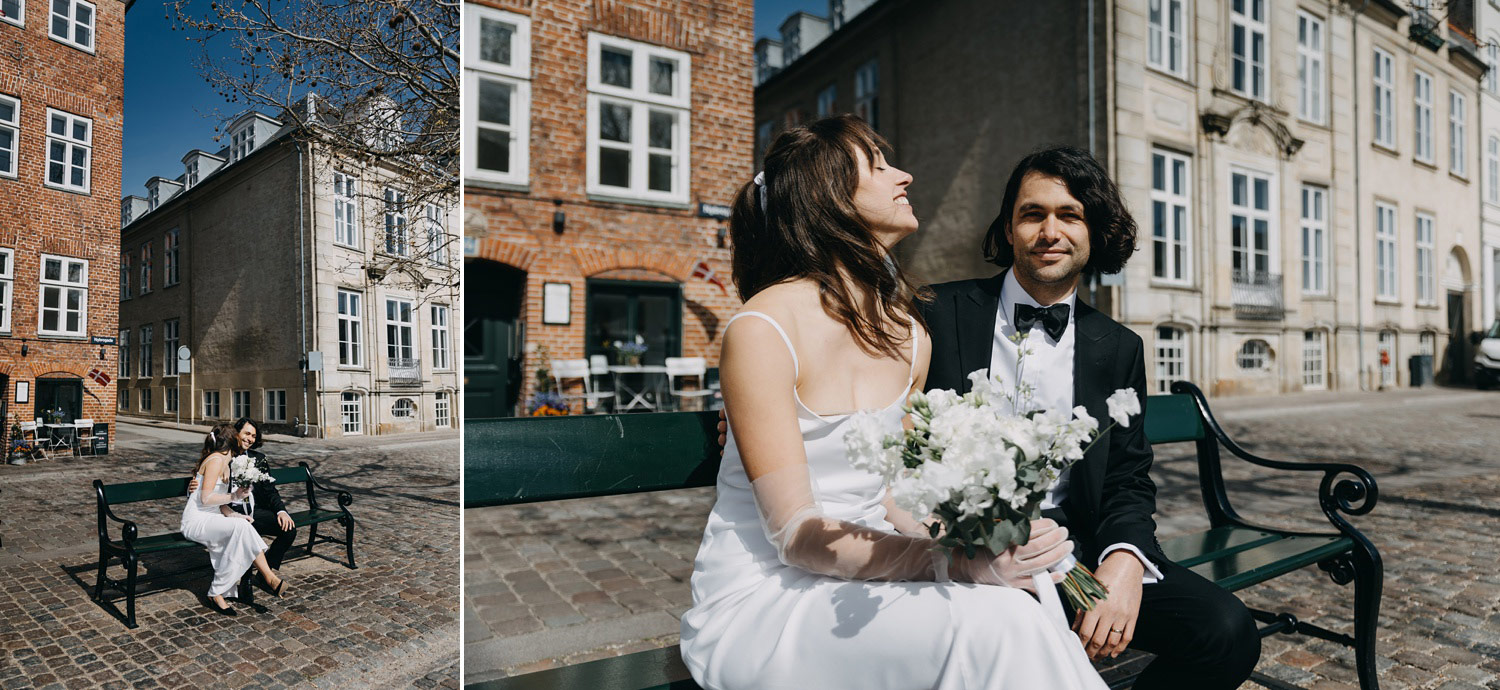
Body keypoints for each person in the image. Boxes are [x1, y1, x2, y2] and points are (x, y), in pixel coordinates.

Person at [680, 115, 1106, 690]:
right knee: (998, 626)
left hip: (871, 573)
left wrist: (993, 536)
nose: (904, 176)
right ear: (828, 195)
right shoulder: (762, 328)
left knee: (1024, 605)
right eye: (878, 166)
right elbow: (796, 535)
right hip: (771, 594)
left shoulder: (908, 335)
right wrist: (952, 565)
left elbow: (894, 498)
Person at [919, 145, 1259, 689]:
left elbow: (1127, 476)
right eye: (1033, 214)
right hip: (964, 553)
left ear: (1094, 233)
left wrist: (1124, 562)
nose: (1049, 231)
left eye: (1069, 215)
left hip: (1074, 553)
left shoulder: (1118, 346)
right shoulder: (935, 311)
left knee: (1226, 632)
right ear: (1008, 229)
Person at [180, 422, 287, 615]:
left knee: (243, 525)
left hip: (213, 517)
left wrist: (236, 514)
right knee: (241, 529)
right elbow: (205, 499)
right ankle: (267, 577)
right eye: (242, 435)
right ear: (234, 438)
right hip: (197, 520)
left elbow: (219, 504)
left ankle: (222, 591)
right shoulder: (216, 460)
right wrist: (235, 496)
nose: (247, 440)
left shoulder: (226, 461)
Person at [188, 419, 298, 577]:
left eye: (253, 436)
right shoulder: (221, 457)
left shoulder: (258, 459)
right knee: (243, 532)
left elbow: (270, 490)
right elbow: (202, 484)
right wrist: (194, 486)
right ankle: (246, 584)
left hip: (254, 511)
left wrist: (281, 511)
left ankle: (264, 574)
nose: (250, 438)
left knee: (289, 530)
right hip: (226, 512)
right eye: (247, 433)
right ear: (236, 434)